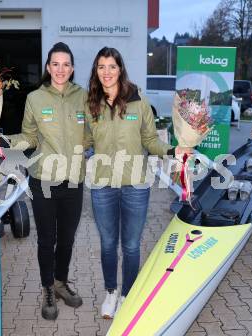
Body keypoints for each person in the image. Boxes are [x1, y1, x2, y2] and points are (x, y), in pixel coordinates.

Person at [85, 47, 190, 319]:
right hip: (102, 185)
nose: (107, 72)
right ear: (95, 71)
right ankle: (110, 293)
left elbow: (150, 141)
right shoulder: (90, 104)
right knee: (108, 244)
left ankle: (127, 296)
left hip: (136, 185)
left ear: (120, 69)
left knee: (131, 245)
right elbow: (82, 142)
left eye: (112, 66)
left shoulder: (138, 102)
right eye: (101, 67)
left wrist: (172, 151)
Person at [0, 42, 86, 320]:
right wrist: (3, 140)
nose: (60, 69)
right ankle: (48, 289)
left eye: (66, 64)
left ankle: (61, 283)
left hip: (74, 180)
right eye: (55, 64)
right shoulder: (36, 99)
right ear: (48, 67)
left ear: (72, 68)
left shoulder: (84, 98)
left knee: (66, 240)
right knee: (46, 240)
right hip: (44, 180)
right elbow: (28, 137)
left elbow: (92, 135)